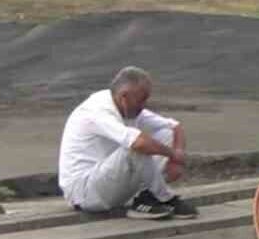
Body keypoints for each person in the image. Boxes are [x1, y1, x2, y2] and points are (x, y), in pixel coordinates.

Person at [58, 66, 198, 220]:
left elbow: (175, 127)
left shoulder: (128, 106)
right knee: (135, 147)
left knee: (165, 135)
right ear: (124, 97)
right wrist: (173, 154)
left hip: (108, 182)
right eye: (141, 100)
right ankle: (164, 197)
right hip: (85, 192)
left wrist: (177, 160)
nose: (144, 105)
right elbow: (138, 144)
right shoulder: (97, 111)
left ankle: (146, 198)